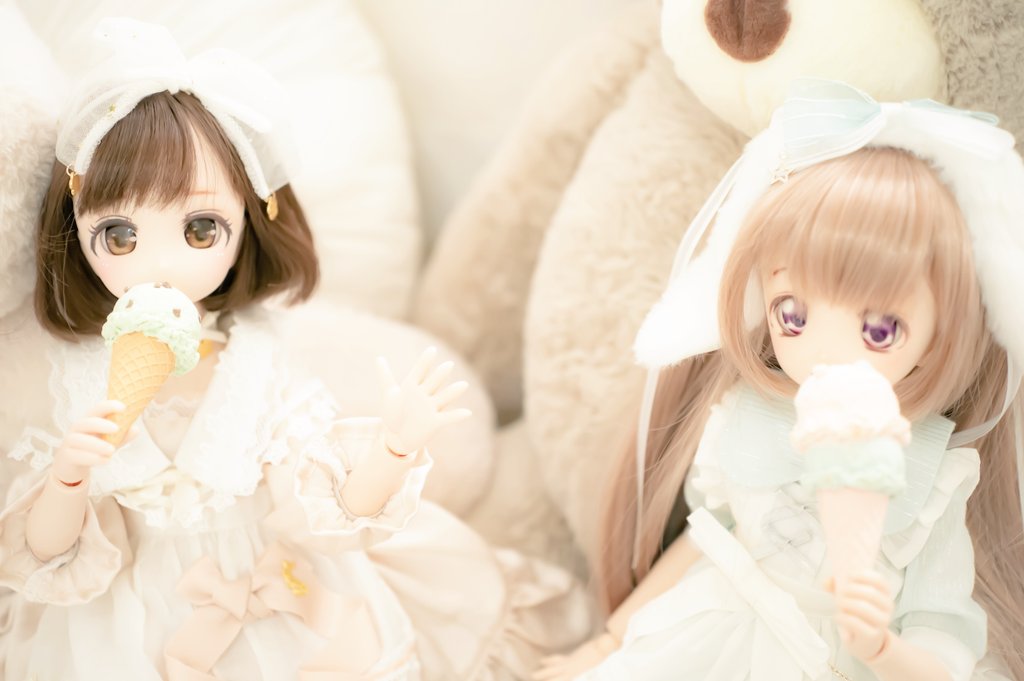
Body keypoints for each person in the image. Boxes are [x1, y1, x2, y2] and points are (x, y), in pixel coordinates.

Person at [1, 18, 590, 681]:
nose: (159, 265)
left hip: (277, 601)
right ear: (74, 227)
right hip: (126, 628)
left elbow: (330, 512)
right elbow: (46, 555)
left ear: (251, 221)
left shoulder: (254, 363)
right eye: (119, 235)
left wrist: (393, 451)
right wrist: (70, 476)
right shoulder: (75, 375)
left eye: (200, 229)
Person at [536, 80, 1024, 681]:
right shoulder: (747, 417)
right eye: (792, 315)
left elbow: (943, 632)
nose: (825, 351)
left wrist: (881, 648)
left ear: (942, 336)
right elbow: (707, 540)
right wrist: (607, 644)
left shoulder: (934, 478)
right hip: (709, 630)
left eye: (880, 330)